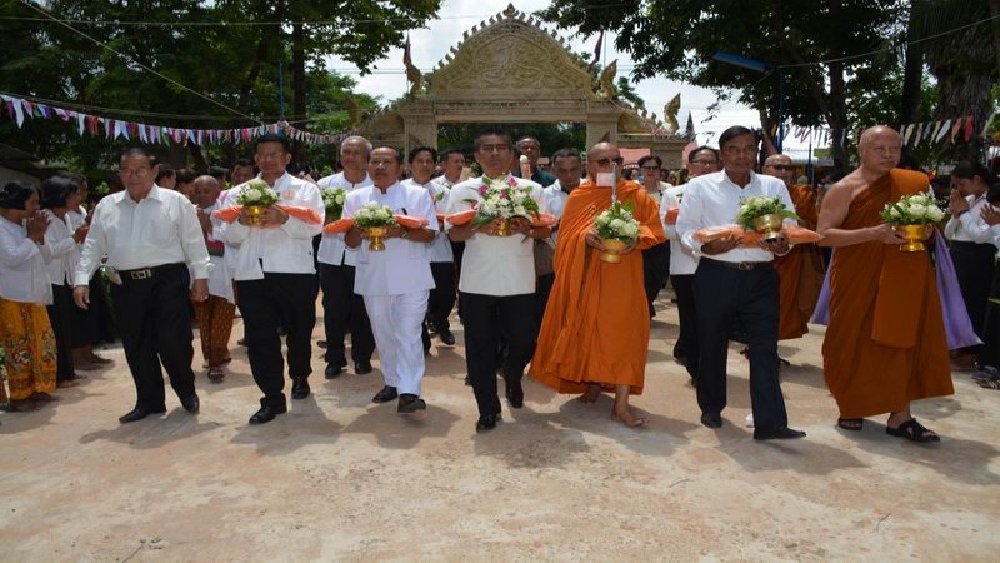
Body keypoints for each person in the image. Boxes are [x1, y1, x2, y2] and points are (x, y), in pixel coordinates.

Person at [816, 125, 953, 442]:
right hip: (857, 277)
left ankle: (900, 415)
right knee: (851, 339)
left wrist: (927, 231)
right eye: (880, 148)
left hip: (904, 273)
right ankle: (851, 404)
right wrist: (873, 233)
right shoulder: (844, 188)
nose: (889, 154)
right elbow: (823, 236)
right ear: (862, 151)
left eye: (895, 148)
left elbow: (928, 224)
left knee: (901, 339)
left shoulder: (911, 183)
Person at [676, 126, 806, 440]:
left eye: (749, 149)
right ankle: (711, 406)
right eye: (734, 148)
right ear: (722, 153)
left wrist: (783, 245)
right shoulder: (701, 187)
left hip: (761, 278)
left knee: (764, 348)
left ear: (756, 153)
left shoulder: (773, 186)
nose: (742, 155)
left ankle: (770, 422)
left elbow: (789, 226)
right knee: (712, 342)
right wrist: (706, 247)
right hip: (716, 274)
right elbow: (686, 229)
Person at [529, 143, 666, 427]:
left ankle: (622, 404)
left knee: (624, 335)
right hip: (587, 276)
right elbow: (565, 239)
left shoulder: (635, 194)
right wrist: (585, 237)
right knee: (587, 329)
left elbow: (654, 230)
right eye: (603, 161)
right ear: (589, 165)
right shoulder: (581, 196)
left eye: (616, 160)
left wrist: (631, 235)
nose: (610, 166)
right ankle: (592, 382)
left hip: (623, 278)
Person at [74, 148, 209, 423]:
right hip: (125, 284)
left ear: (154, 172)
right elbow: (92, 245)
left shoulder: (176, 202)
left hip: (168, 280)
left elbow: (194, 242)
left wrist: (201, 278)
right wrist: (81, 279)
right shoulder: (107, 206)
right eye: (126, 171)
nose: (133, 176)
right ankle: (149, 401)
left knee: (173, 343)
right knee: (137, 345)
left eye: (140, 170)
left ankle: (186, 390)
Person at [446, 130, 551, 432]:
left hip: (519, 280)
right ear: (477, 156)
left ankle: (513, 375)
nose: (494, 154)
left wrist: (525, 229)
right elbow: (453, 233)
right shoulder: (463, 191)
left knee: (523, 340)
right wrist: (479, 227)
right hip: (477, 282)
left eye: (501, 148)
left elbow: (545, 231)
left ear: (511, 154)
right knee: (479, 348)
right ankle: (487, 408)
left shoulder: (532, 190)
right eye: (487, 148)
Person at [223, 134, 324, 424]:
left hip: (295, 272)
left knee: (299, 331)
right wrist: (242, 222)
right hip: (252, 274)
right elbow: (227, 235)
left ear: (287, 158)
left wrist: (285, 221)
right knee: (259, 337)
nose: (268, 160)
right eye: (262, 155)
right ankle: (271, 397)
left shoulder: (305, 190)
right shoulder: (239, 193)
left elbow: (316, 227)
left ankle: (300, 375)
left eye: (274, 154)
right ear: (255, 159)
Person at [344, 147, 438, 412]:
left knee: (408, 333)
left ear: (400, 168)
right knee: (383, 334)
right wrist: (361, 231)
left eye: (387, 162)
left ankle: (410, 391)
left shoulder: (418, 195)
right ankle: (392, 382)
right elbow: (349, 241)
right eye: (375, 162)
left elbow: (430, 234)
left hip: (412, 276)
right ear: (367, 166)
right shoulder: (356, 198)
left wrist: (401, 232)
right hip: (372, 275)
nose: (380, 167)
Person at [316, 136, 376, 379]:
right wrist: (324, 222)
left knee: (363, 309)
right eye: (346, 152)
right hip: (331, 257)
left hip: (364, 257)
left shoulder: (377, 187)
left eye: (356, 153)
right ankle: (334, 357)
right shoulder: (324, 185)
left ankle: (362, 356)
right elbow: (311, 219)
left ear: (367, 158)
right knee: (333, 309)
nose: (350, 157)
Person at [661, 146, 720, 379]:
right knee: (691, 318)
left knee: (715, 319)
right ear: (689, 166)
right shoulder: (674, 194)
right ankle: (696, 367)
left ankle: (711, 365)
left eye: (711, 162)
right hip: (686, 265)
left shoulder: (726, 193)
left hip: (719, 264)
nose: (706, 167)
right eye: (701, 162)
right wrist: (693, 231)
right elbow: (665, 231)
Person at [0, 183, 58, 412]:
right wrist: (32, 237)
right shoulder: (2, 228)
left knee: (40, 343)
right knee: (18, 347)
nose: (37, 207)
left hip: (33, 296)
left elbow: (47, 257)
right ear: (17, 203)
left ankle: (37, 388)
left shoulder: (27, 226)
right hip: (11, 297)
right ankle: (19, 396)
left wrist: (39, 237)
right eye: (33, 202)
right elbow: (12, 257)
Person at [762, 154, 825, 345]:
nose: (784, 172)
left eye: (788, 168)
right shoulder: (754, 191)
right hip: (760, 255)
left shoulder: (803, 194)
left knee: (784, 303)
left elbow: (814, 226)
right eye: (778, 167)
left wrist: (794, 220)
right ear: (765, 170)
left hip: (792, 257)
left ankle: (770, 346)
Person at [944, 161, 996, 371]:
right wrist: (956, 215)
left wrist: (964, 214)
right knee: (957, 302)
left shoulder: (992, 200)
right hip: (958, 253)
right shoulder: (967, 200)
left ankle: (972, 350)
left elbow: (981, 236)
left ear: (976, 179)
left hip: (978, 257)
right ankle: (959, 344)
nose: (959, 189)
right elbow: (948, 233)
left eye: (962, 183)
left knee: (974, 302)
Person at [404, 147, 457, 350]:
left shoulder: (445, 192)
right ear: (410, 165)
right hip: (413, 252)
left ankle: (441, 323)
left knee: (445, 297)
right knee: (416, 298)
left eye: (429, 161)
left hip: (441, 252)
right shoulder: (400, 189)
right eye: (420, 161)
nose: (424, 165)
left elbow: (453, 218)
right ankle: (422, 338)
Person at [40, 176, 88, 387]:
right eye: (73, 195)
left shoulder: (65, 218)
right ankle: (58, 376)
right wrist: (73, 239)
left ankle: (68, 372)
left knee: (65, 328)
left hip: (63, 278)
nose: (77, 198)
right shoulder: (46, 219)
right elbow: (48, 253)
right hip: (50, 280)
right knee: (55, 329)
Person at [192, 175, 236, 383]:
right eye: (197, 191)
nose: (201, 196)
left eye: (206, 191)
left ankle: (216, 360)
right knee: (203, 316)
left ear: (218, 192)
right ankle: (211, 356)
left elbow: (233, 237)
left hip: (223, 271)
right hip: (198, 272)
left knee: (221, 313)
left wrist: (208, 225)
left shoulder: (227, 211)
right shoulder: (189, 212)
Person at [536, 148, 583, 321]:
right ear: (553, 170)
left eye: (573, 170)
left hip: (587, 260)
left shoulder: (595, 191)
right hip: (553, 262)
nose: (569, 175)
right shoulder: (544, 195)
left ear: (582, 168)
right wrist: (560, 224)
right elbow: (540, 230)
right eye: (562, 171)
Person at [637, 155, 671, 317]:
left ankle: (647, 302)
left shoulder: (668, 190)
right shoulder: (633, 190)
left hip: (661, 241)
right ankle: (643, 306)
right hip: (638, 241)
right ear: (640, 170)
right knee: (641, 276)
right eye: (647, 168)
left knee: (658, 276)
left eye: (654, 168)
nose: (651, 171)